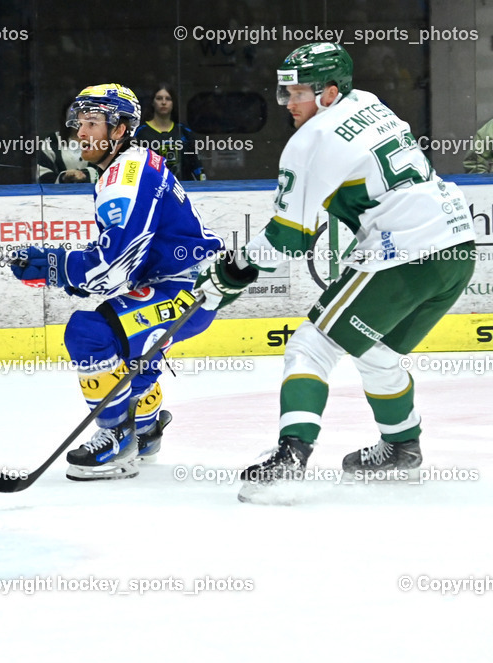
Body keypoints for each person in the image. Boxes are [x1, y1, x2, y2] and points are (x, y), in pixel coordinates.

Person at [195, 43, 477, 502]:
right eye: (285, 93)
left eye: (298, 94)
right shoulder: (368, 102)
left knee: (311, 346)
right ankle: (402, 448)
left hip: (405, 253)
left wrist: (234, 270)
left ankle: (290, 458)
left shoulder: (311, 140)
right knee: (376, 353)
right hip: (458, 249)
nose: (288, 104)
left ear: (328, 93)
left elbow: (289, 239)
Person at [11, 84, 224, 481]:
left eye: (93, 123)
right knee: (133, 350)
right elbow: (122, 258)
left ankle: (118, 439)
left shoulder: (126, 177)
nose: (81, 133)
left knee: (89, 332)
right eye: (79, 123)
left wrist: (55, 266)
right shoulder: (132, 164)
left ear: (120, 129)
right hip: (189, 283)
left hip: (186, 290)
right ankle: (146, 430)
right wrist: (60, 265)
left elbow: (114, 268)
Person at [134, 85, 206, 182]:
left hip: (183, 187)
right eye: (159, 98)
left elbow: (197, 167)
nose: (163, 102)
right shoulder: (141, 133)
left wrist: (203, 185)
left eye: (168, 99)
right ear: (152, 102)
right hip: (151, 187)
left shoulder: (184, 132)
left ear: (173, 103)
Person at [35, 98, 98, 184]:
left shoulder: (100, 140)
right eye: (74, 114)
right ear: (66, 117)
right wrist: (64, 177)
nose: (78, 119)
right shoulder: (53, 140)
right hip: (60, 192)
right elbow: (42, 175)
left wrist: (86, 175)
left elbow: (109, 172)